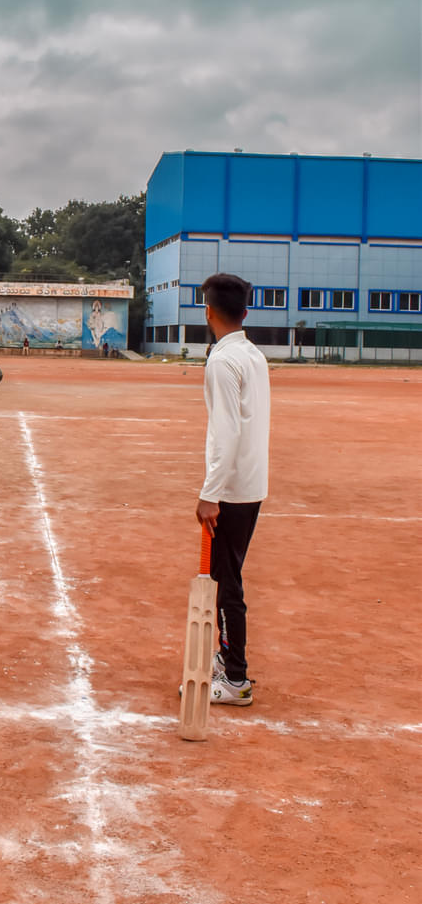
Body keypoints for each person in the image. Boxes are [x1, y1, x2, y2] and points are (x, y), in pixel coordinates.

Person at [196, 273, 271, 707]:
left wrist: (211, 492)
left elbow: (225, 432)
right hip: (250, 483)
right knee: (229, 577)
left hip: (233, 488)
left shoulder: (223, 361)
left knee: (226, 582)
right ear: (244, 312)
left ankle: (236, 677)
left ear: (208, 312)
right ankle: (228, 662)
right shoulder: (252, 354)